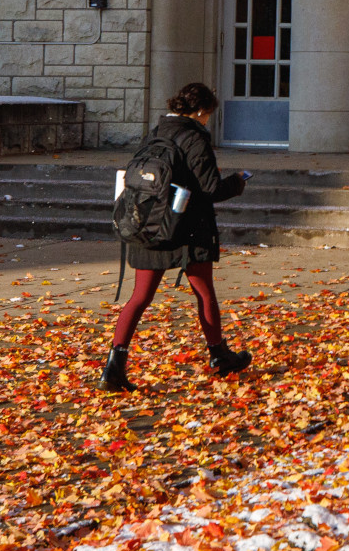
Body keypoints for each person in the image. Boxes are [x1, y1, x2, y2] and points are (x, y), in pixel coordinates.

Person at [101, 83, 250, 391]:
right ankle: (219, 356)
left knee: (140, 297)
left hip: (147, 224)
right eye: (208, 114)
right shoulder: (194, 137)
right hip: (187, 229)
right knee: (204, 292)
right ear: (200, 111)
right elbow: (210, 189)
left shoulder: (155, 133)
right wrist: (236, 182)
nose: (208, 120)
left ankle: (114, 366)